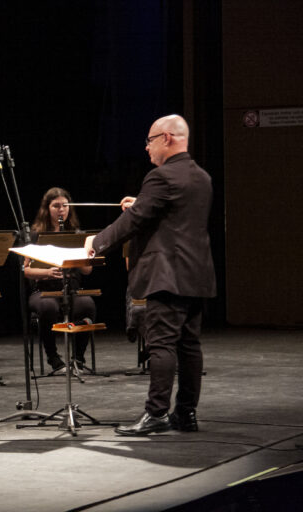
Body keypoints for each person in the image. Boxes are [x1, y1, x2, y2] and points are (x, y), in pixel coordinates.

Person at [85, 114, 216, 436]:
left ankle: (156, 414)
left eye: (150, 140)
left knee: (161, 345)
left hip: (166, 274)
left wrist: (97, 242)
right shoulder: (201, 177)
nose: (146, 148)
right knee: (189, 345)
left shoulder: (161, 177)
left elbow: (135, 222)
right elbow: (171, 219)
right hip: (195, 273)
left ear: (167, 138)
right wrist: (142, 204)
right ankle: (186, 414)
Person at [25, 187, 95, 373]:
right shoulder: (35, 235)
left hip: (71, 289)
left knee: (87, 305)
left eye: (65, 205)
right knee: (48, 307)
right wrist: (47, 272)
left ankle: (78, 359)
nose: (61, 209)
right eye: (56, 206)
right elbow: (26, 271)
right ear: (47, 209)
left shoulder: (77, 234)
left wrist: (80, 253)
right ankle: (53, 359)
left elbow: (87, 270)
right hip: (43, 291)